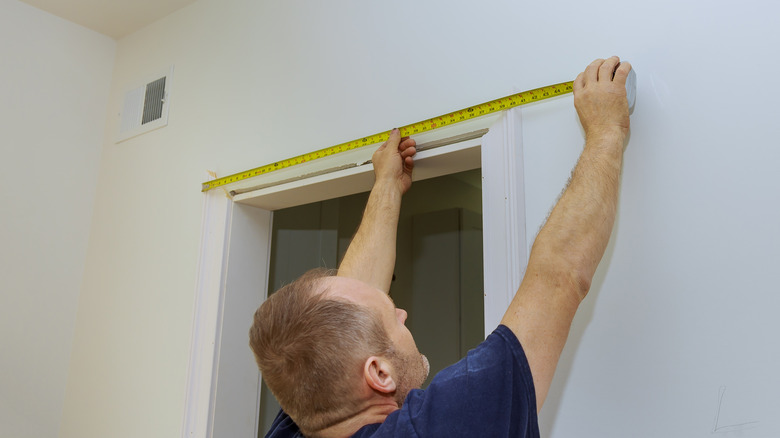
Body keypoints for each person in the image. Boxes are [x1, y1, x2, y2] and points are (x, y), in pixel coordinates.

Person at [249, 56, 633, 438]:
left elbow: (342, 313)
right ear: (378, 373)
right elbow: (559, 277)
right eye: (392, 317)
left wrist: (386, 187)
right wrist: (606, 130)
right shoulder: (439, 426)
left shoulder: (305, 412)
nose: (402, 312)